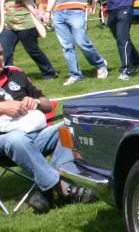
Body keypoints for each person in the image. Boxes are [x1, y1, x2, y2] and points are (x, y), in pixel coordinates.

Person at [0, 53, 96, 213]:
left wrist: (35, 101)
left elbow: (47, 105)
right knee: (17, 139)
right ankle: (63, 188)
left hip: (35, 135)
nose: (0, 58)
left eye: (1, 53)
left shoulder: (15, 73)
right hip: (6, 143)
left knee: (70, 126)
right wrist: (3, 108)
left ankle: (45, 189)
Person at [0, 0, 58, 80]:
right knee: (5, 51)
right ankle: (9, 76)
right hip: (9, 25)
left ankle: (49, 72)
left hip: (26, 23)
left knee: (33, 50)